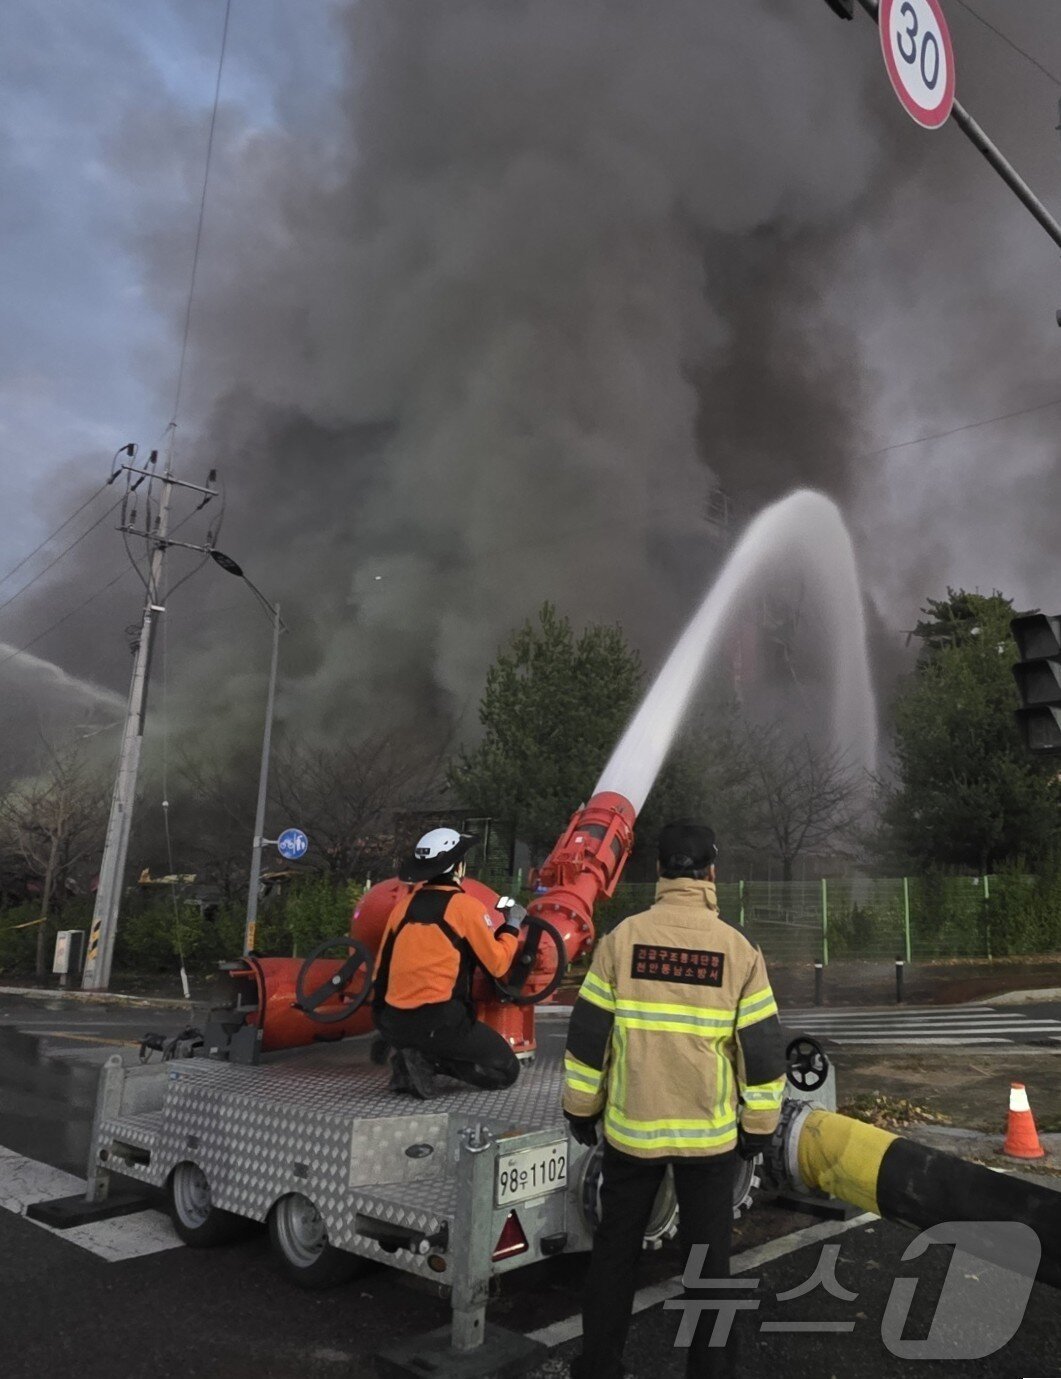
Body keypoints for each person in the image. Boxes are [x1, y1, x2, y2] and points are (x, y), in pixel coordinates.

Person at [562, 820, 786, 1379]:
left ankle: (598, 1366)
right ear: (712, 873)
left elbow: (588, 1039)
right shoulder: (738, 951)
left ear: (659, 870)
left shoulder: (621, 940)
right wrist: (758, 1127)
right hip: (708, 1140)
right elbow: (760, 1051)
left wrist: (580, 1109)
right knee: (709, 1265)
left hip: (632, 1133)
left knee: (615, 1255)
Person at [373, 827, 525, 1098]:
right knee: (505, 1072)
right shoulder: (465, 907)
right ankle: (427, 1061)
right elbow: (498, 965)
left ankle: (410, 1054)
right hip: (439, 1022)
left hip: (393, 1021)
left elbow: (379, 972)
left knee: (426, 1033)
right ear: (458, 866)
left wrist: (385, 1026)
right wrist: (512, 926)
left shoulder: (402, 907)